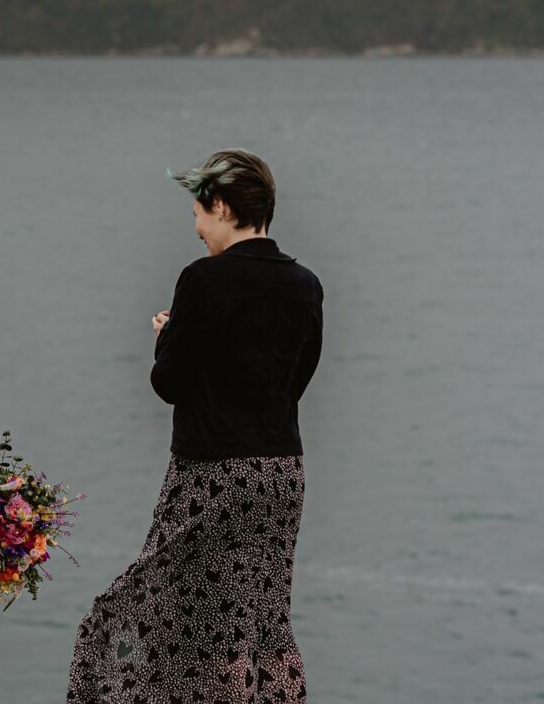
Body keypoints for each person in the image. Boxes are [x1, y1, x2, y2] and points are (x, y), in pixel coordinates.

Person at [68, 149, 323, 704]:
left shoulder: (204, 280)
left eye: (199, 216)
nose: (198, 230)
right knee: (259, 614)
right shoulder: (305, 285)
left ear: (223, 207)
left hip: (212, 473)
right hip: (281, 473)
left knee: (157, 606)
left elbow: (169, 384)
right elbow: (296, 381)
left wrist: (166, 337)